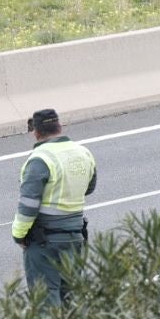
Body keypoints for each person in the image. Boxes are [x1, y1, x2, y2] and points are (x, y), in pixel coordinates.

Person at [12, 108, 98, 308]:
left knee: (46, 304)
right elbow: (89, 187)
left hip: (44, 243)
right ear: (60, 127)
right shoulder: (83, 152)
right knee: (72, 300)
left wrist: (19, 235)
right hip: (75, 238)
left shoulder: (40, 159)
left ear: (36, 132)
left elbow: (29, 205)